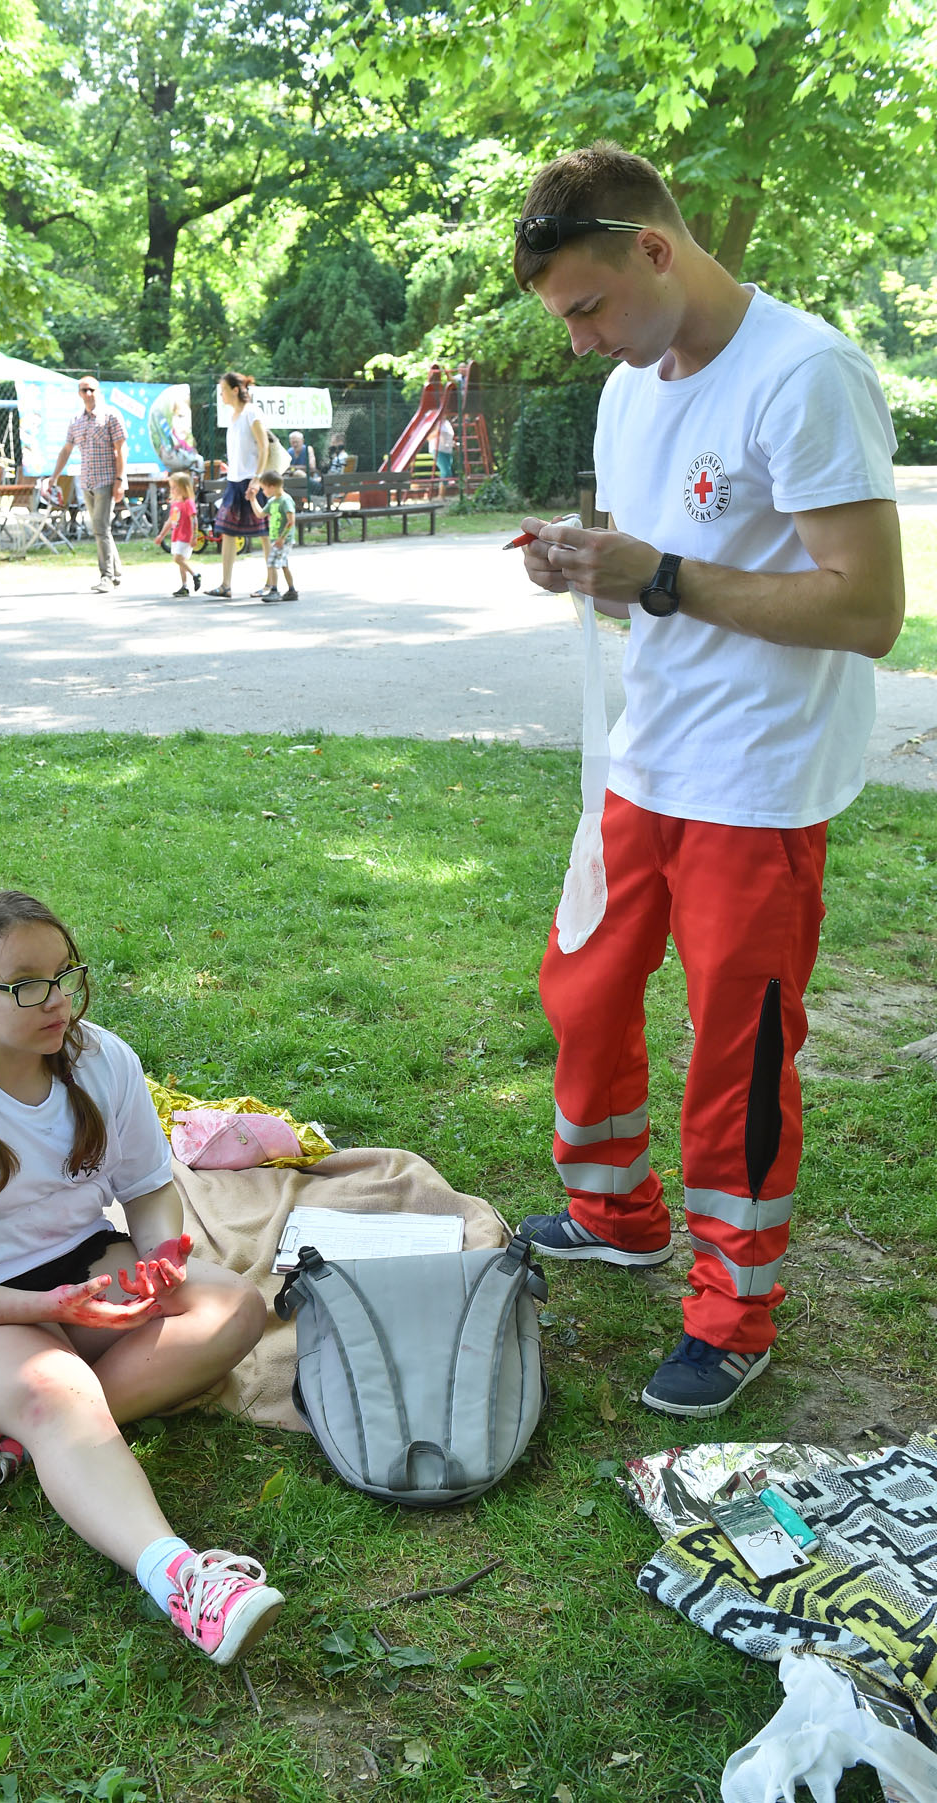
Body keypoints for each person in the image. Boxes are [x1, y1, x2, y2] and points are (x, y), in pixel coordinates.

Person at [511, 141, 904, 1419]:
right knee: (586, 990)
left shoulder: (806, 374)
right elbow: (650, 578)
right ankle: (614, 1211)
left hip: (761, 784)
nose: (582, 341)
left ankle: (733, 1312)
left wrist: (662, 577)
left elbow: (869, 611)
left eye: (589, 307)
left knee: (739, 1053)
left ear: (655, 248)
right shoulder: (632, 386)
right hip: (649, 760)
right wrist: (588, 568)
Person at [0, 890, 284, 1667]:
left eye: (64, 974)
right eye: (24, 984)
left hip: (74, 1263)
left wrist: (161, 1258)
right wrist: (38, 1308)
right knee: (57, 1387)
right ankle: (181, 1579)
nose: (56, 1000)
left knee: (235, 1306)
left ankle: (7, 1441)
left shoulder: (102, 1059)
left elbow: (148, 1187)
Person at [50, 379, 126, 594]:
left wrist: (120, 480)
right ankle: (116, 573)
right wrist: (54, 476)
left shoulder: (111, 415)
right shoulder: (76, 420)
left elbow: (121, 449)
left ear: (98, 391)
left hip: (107, 479)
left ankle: (106, 576)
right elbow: (66, 450)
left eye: (92, 389)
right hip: (87, 481)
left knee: (100, 528)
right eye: (84, 390)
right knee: (102, 529)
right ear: (79, 393)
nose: (88, 393)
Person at [206, 372, 268, 600]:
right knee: (227, 531)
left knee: (265, 533)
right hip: (234, 481)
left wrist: (258, 479)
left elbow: (264, 447)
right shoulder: (232, 416)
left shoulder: (252, 412)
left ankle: (271, 584)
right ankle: (225, 585)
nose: (220, 394)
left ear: (235, 390)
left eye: (223, 389)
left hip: (252, 481)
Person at [247, 472, 298, 603]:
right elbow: (260, 514)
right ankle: (292, 591)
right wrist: (253, 499)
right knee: (284, 565)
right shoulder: (272, 501)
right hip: (277, 540)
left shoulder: (285, 500)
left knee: (271, 563)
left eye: (264, 488)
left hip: (283, 540)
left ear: (272, 486)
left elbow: (291, 521)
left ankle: (274, 591)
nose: (263, 492)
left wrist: (282, 538)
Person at [154, 471, 202, 598]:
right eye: (171, 487)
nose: (172, 490)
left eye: (175, 487)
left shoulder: (188, 503)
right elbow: (171, 521)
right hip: (177, 536)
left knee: (177, 559)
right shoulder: (175, 504)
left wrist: (194, 536)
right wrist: (161, 535)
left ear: (184, 488)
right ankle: (184, 586)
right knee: (181, 562)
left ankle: (195, 575)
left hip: (186, 536)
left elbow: (194, 520)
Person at [429, 416, 455, 485]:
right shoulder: (435, 423)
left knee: (448, 472)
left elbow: (448, 437)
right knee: (445, 471)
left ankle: (446, 488)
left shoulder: (447, 423)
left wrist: (453, 443)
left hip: (448, 450)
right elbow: (428, 437)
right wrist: (437, 432)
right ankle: (441, 491)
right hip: (438, 450)